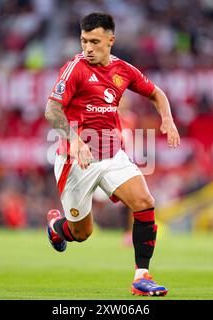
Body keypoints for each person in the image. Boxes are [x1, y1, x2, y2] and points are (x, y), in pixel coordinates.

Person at [44, 12, 180, 297]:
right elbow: (52, 110)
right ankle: (57, 228)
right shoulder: (74, 69)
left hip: (112, 155)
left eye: (94, 41)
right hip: (75, 160)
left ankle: (141, 276)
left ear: (110, 40)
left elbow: (158, 94)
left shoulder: (124, 70)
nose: (88, 48)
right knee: (82, 233)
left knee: (144, 202)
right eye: (84, 41)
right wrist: (75, 140)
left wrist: (166, 118)